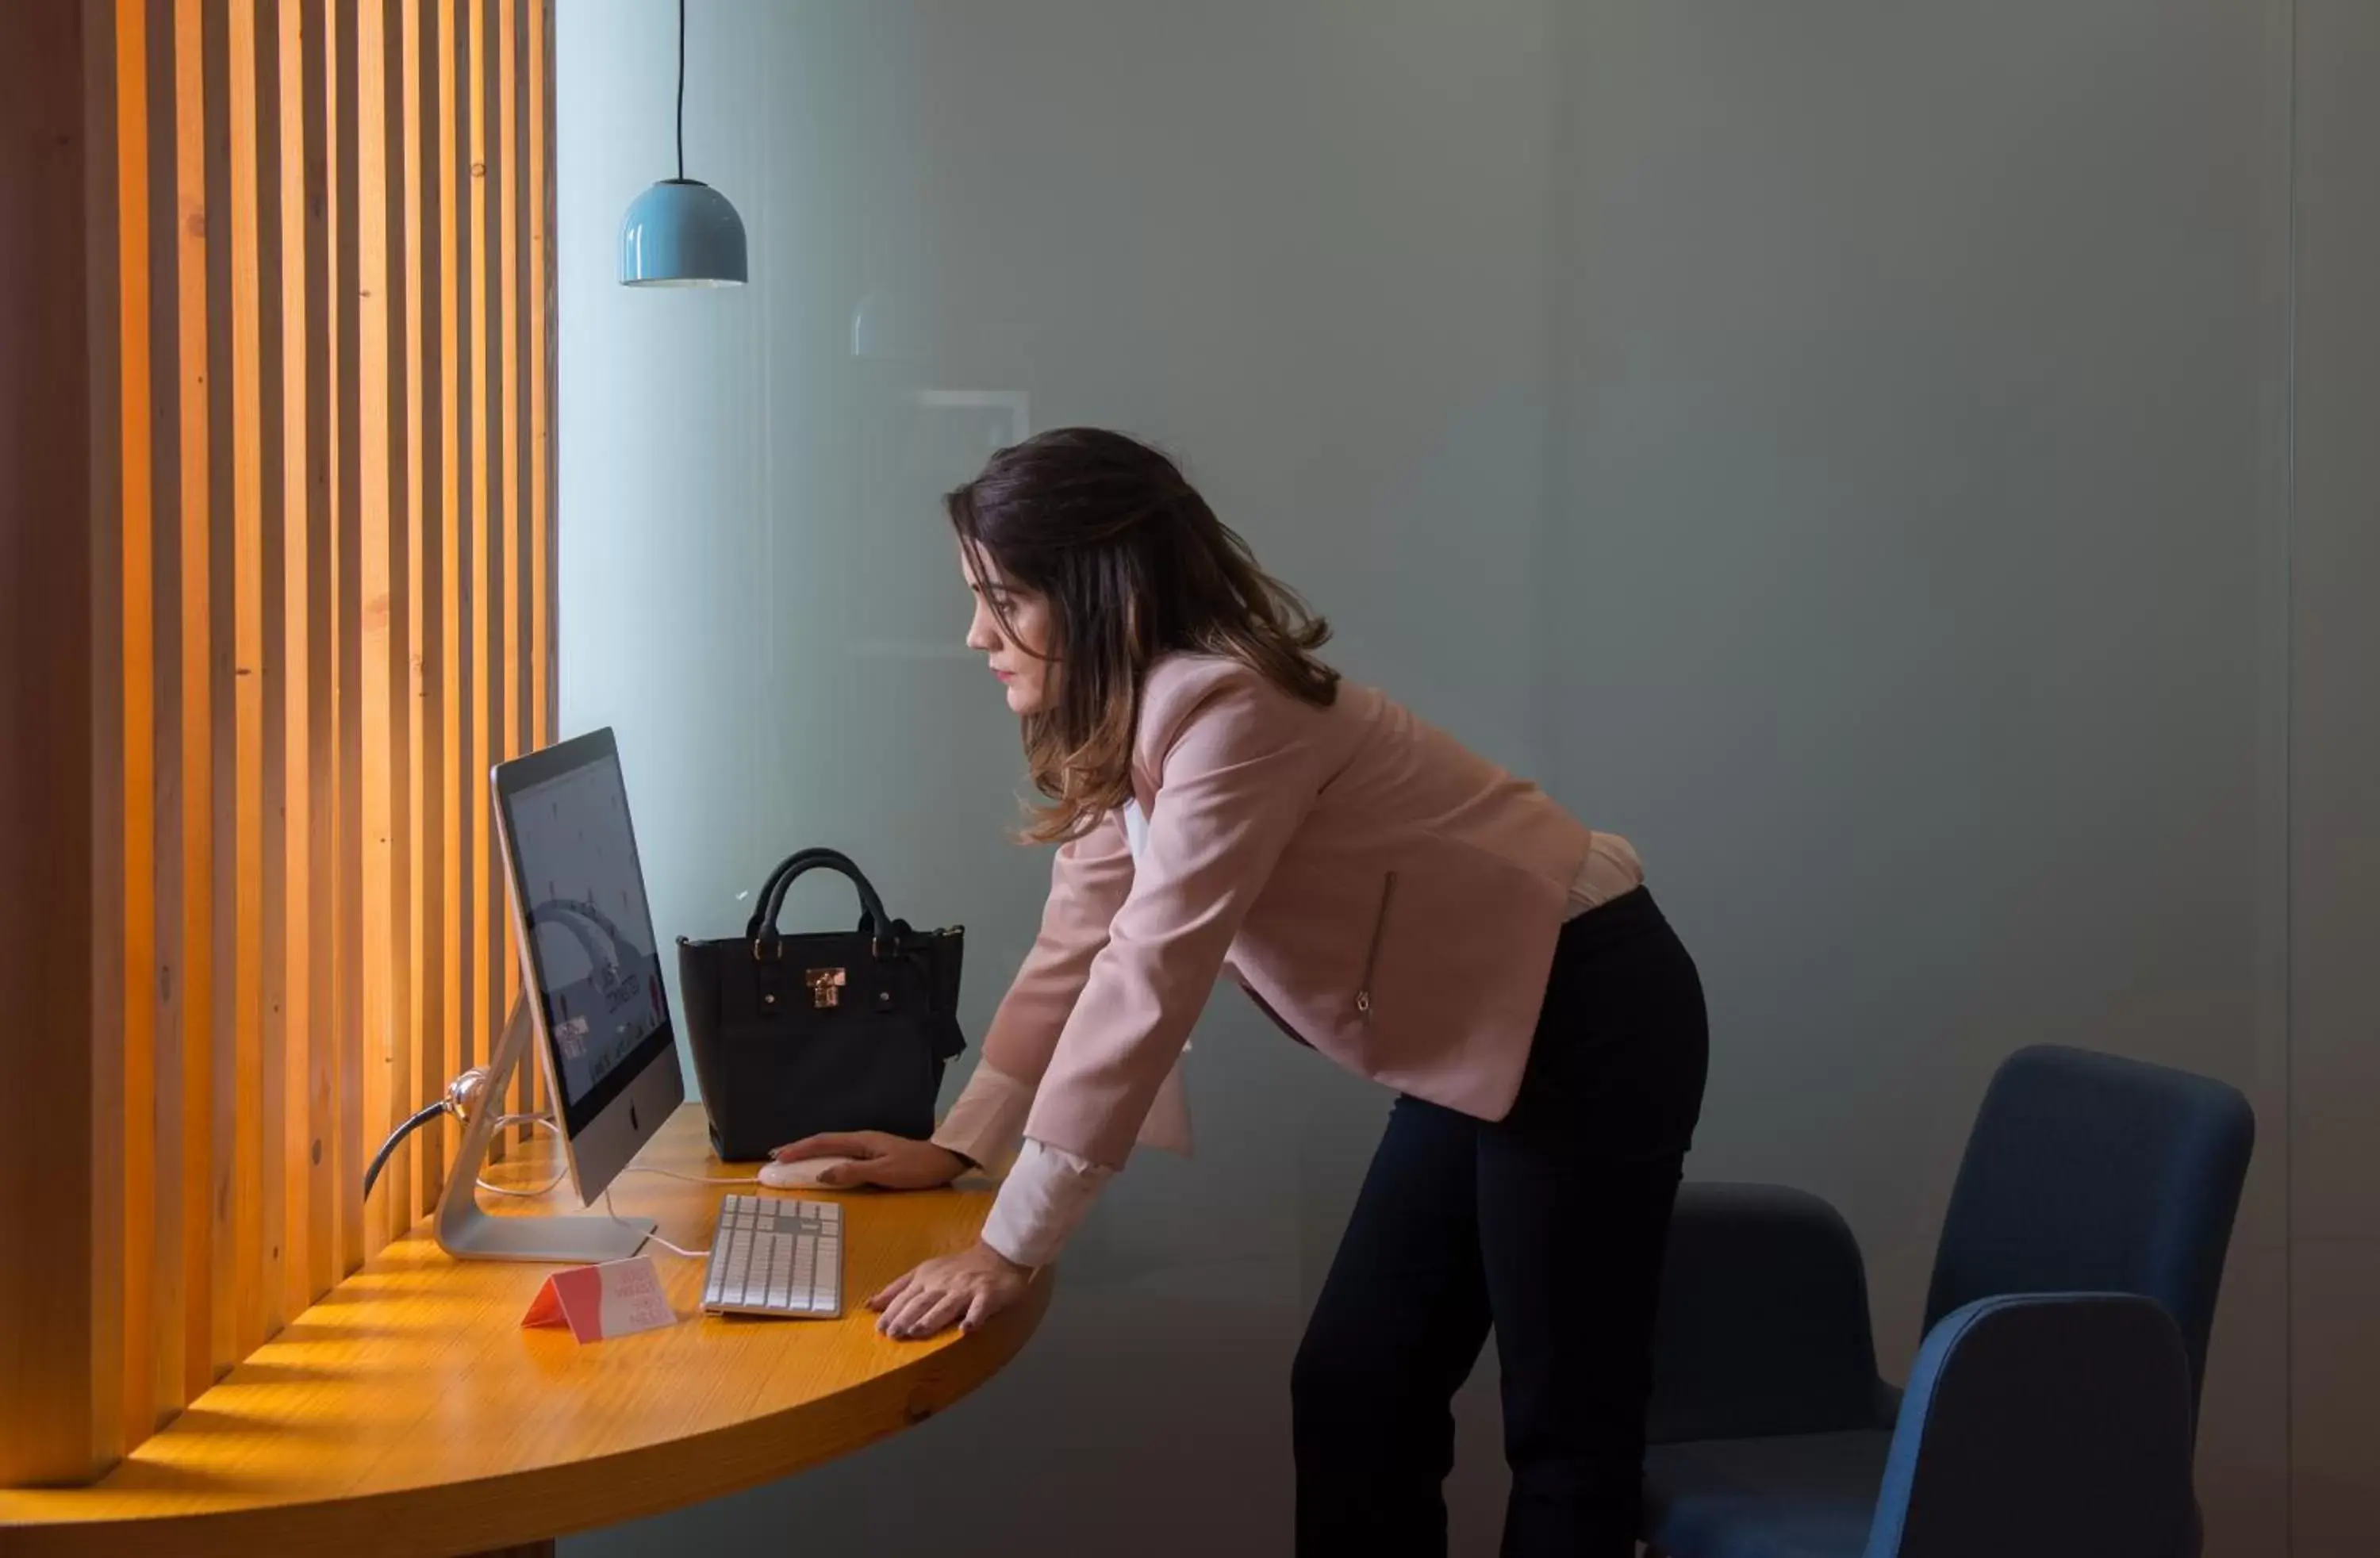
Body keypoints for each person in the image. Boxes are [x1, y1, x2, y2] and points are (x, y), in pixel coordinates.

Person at [774, 428, 1710, 1557]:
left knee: (1564, 1434)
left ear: (1100, 595)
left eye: (1003, 598)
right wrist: (966, 1149)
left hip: (1585, 1004)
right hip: (1488, 1021)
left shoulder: (1230, 710)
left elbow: (1149, 975)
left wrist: (1013, 1246)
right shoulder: (1134, 721)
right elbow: (1075, 950)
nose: (976, 634)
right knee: (1355, 1389)